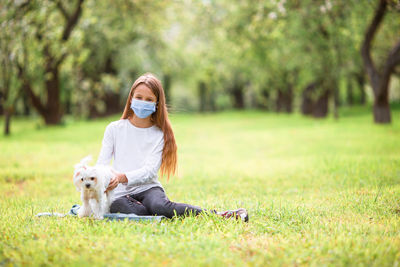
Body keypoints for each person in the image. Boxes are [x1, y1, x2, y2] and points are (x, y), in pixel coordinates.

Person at [96, 73, 249, 222]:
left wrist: (122, 177)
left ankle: (220, 215)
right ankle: (147, 210)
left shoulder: (160, 134)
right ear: (130, 99)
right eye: (139, 97)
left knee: (160, 207)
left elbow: (149, 171)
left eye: (149, 99)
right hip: (120, 193)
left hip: (148, 188)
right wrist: (107, 180)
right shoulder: (114, 129)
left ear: (156, 104)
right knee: (137, 212)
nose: (143, 102)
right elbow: (102, 164)